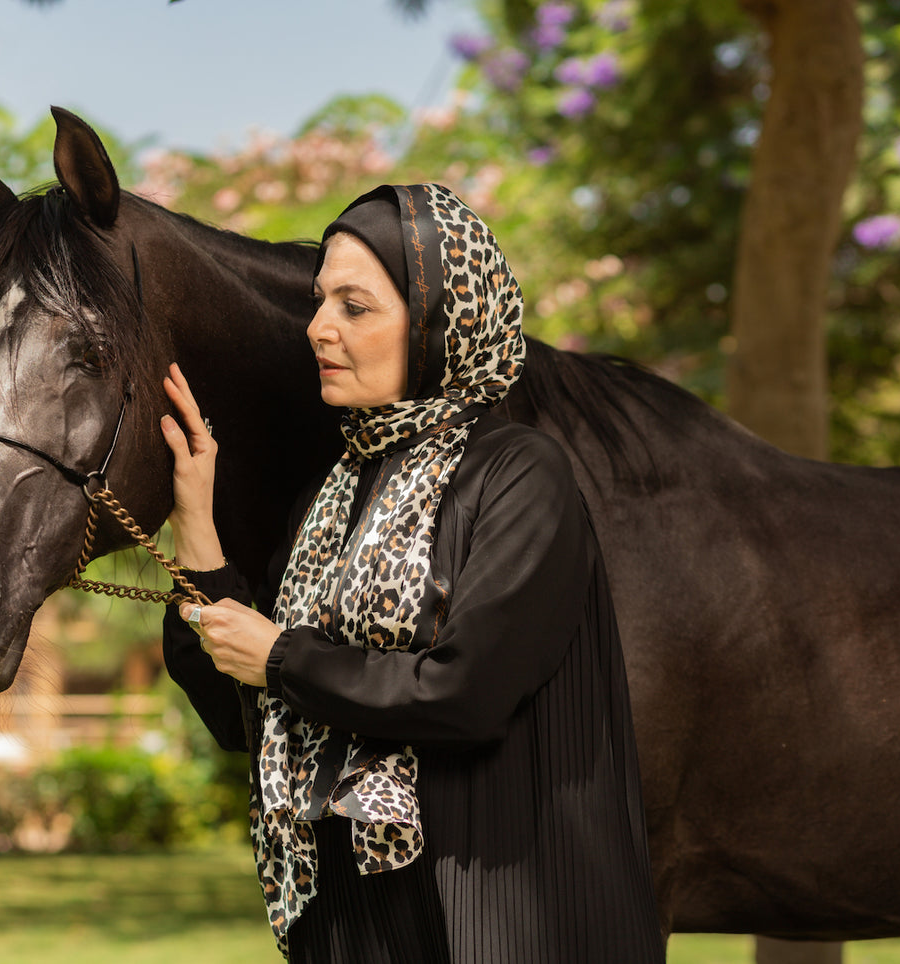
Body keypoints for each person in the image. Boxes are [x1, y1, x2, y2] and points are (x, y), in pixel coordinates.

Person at [159, 184, 664, 963]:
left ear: (439, 325)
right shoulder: (331, 493)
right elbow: (249, 714)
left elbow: (465, 693)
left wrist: (281, 657)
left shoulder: (518, 475)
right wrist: (196, 530)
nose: (318, 328)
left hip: (492, 921)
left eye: (354, 307)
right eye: (319, 301)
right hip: (356, 924)